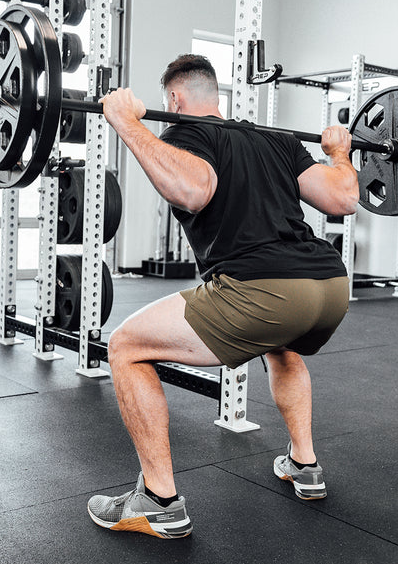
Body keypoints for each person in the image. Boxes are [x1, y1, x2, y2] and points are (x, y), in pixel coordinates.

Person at [86, 54, 359, 539]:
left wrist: (125, 123)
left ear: (174, 99)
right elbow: (342, 199)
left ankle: (158, 501)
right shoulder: (271, 138)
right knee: (282, 346)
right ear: (217, 95)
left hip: (263, 290)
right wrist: (340, 151)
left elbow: (192, 191)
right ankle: (304, 464)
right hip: (330, 287)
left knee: (126, 346)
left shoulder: (188, 132)